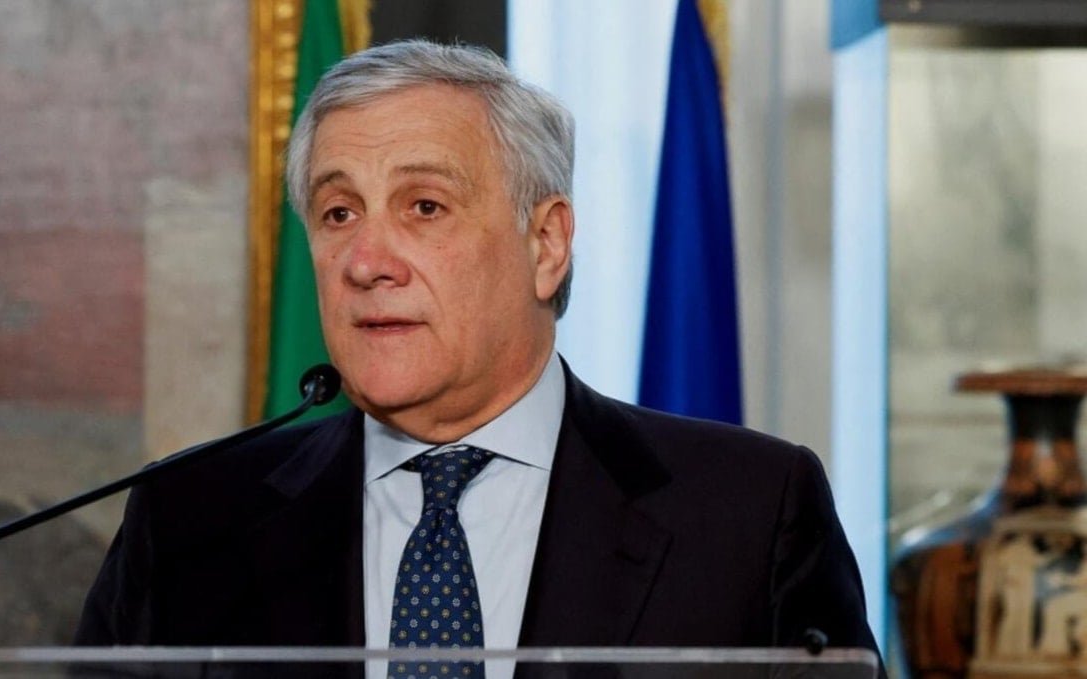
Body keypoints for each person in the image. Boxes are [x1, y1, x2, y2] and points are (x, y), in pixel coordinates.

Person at [76, 39, 881, 669]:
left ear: (546, 243)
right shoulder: (188, 520)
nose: (366, 261)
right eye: (338, 212)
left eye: (424, 206)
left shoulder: (748, 513)